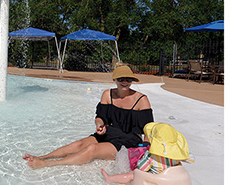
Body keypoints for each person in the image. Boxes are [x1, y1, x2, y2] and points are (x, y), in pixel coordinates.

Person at [24, 65, 154, 168]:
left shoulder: (141, 99)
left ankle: (47, 164)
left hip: (128, 141)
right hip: (109, 133)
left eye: (128, 79)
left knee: (92, 149)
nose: (125, 82)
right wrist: (99, 125)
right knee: (78, 144)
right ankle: (42, 157)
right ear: (114, 80)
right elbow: (100, 117)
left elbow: (149, 128)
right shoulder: (107, 94)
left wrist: (146, 148)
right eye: (121, 79)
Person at [102, 122, 189, 184]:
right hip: (171, 180)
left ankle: (110, 179)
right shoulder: (177, 156)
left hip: (155, 181)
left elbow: (141, 167)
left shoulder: (151, 157)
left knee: (131, 175)